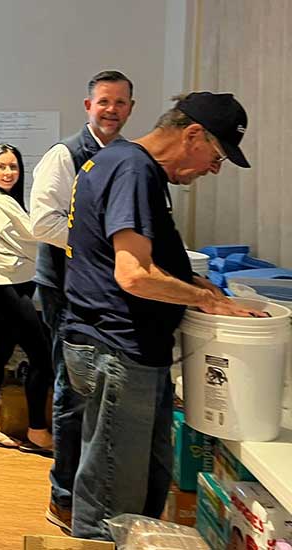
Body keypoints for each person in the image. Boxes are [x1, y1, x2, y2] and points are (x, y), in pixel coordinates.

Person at [63, 92, 263, 540]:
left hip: (118, 347)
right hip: (116, 349)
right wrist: (205, 300)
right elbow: (133, 275)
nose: (216, 168)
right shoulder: (133, 169)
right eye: (217, 155)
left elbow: (150, 258)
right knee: (114, 499)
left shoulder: (122, 163)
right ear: (192, 134)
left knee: (141, 485)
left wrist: (204, 287)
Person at [29, 70, 135, 532]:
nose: (112, 110)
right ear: (88, 105)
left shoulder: (124, 155)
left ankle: (91, 493)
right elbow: (43, 223)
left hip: (101, 290)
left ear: (130, 108)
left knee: (95, 392)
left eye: (121, 103)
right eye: (104, 102)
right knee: (72, 389)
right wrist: (99, 243)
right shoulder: (66, 154)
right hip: (66, 289)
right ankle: (63, 496)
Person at [0, 143, 53, 456]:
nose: (8, 173)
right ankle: (37, 431)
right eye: (1, 166)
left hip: (9, 284)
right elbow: (37, 234)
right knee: (43, 358)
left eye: (13, 167)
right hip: (7, 288)